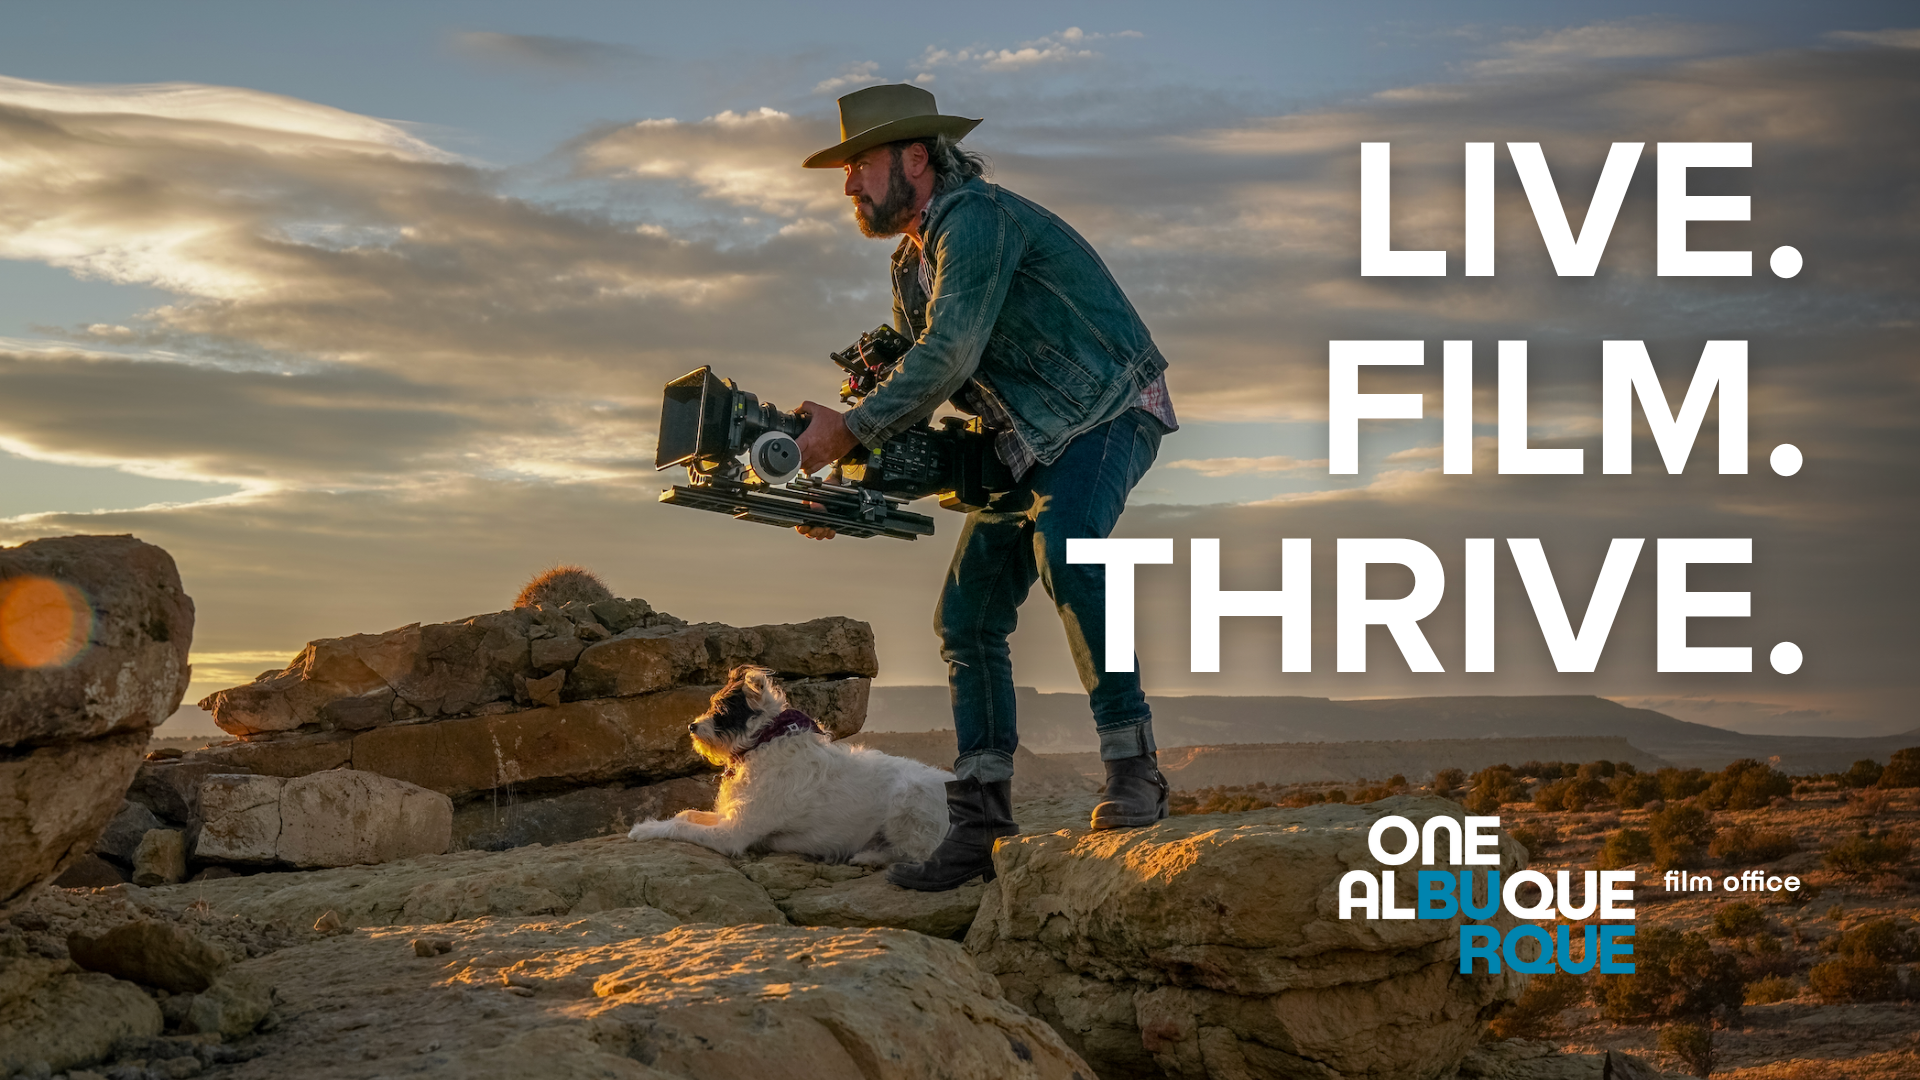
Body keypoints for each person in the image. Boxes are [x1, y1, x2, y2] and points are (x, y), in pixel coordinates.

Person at [791, 84, 1178, 892]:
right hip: (1021, 443)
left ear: (916, 158)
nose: (850, 185)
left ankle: (1133, 771)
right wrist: (851, 482)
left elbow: (947, 359)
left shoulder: (976, 221)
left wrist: (849, 431)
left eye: (861, 164)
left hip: (1104, 411)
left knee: (1067, 548)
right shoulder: (912, 262)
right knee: (965, 621)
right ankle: (980, 824)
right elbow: (904, 384)